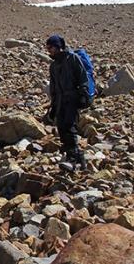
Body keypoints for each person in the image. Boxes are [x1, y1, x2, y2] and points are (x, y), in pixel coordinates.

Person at [45, 34, 88, 172]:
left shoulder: (72, 59)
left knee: (70, 128)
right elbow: (54, 87)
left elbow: (82, 77)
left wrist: (83, 94)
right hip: (59, 102)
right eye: (48, 47)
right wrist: (52, 107)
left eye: (51, 47)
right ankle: (81, 161)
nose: (49, 50)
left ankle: (72, 160)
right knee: (62, 129)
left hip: (72, 99)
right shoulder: (53, 65)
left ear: (58, 47)